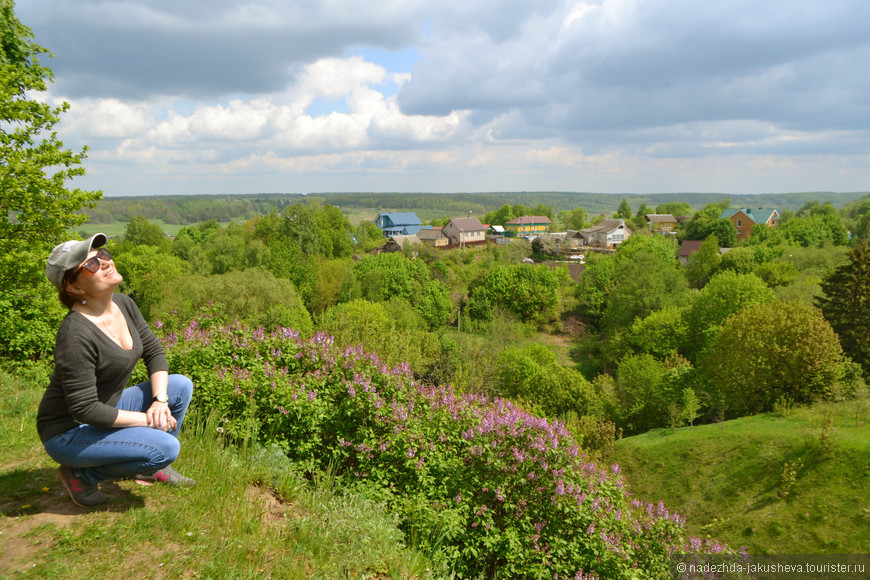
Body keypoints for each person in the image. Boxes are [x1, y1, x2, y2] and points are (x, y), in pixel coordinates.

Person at [37, 233, 196, 508]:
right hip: (69, 431)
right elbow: (84, 410)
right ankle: (82, 474)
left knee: (179, 386)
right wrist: (148, 421)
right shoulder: (75, 333)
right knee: (167, 446)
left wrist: (159, 402)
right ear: (74, 287)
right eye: (91, 265)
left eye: (103, 255)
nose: (105, 263)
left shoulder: (124, 304)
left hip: (105, 409)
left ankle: (150, 466)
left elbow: (154, 352)